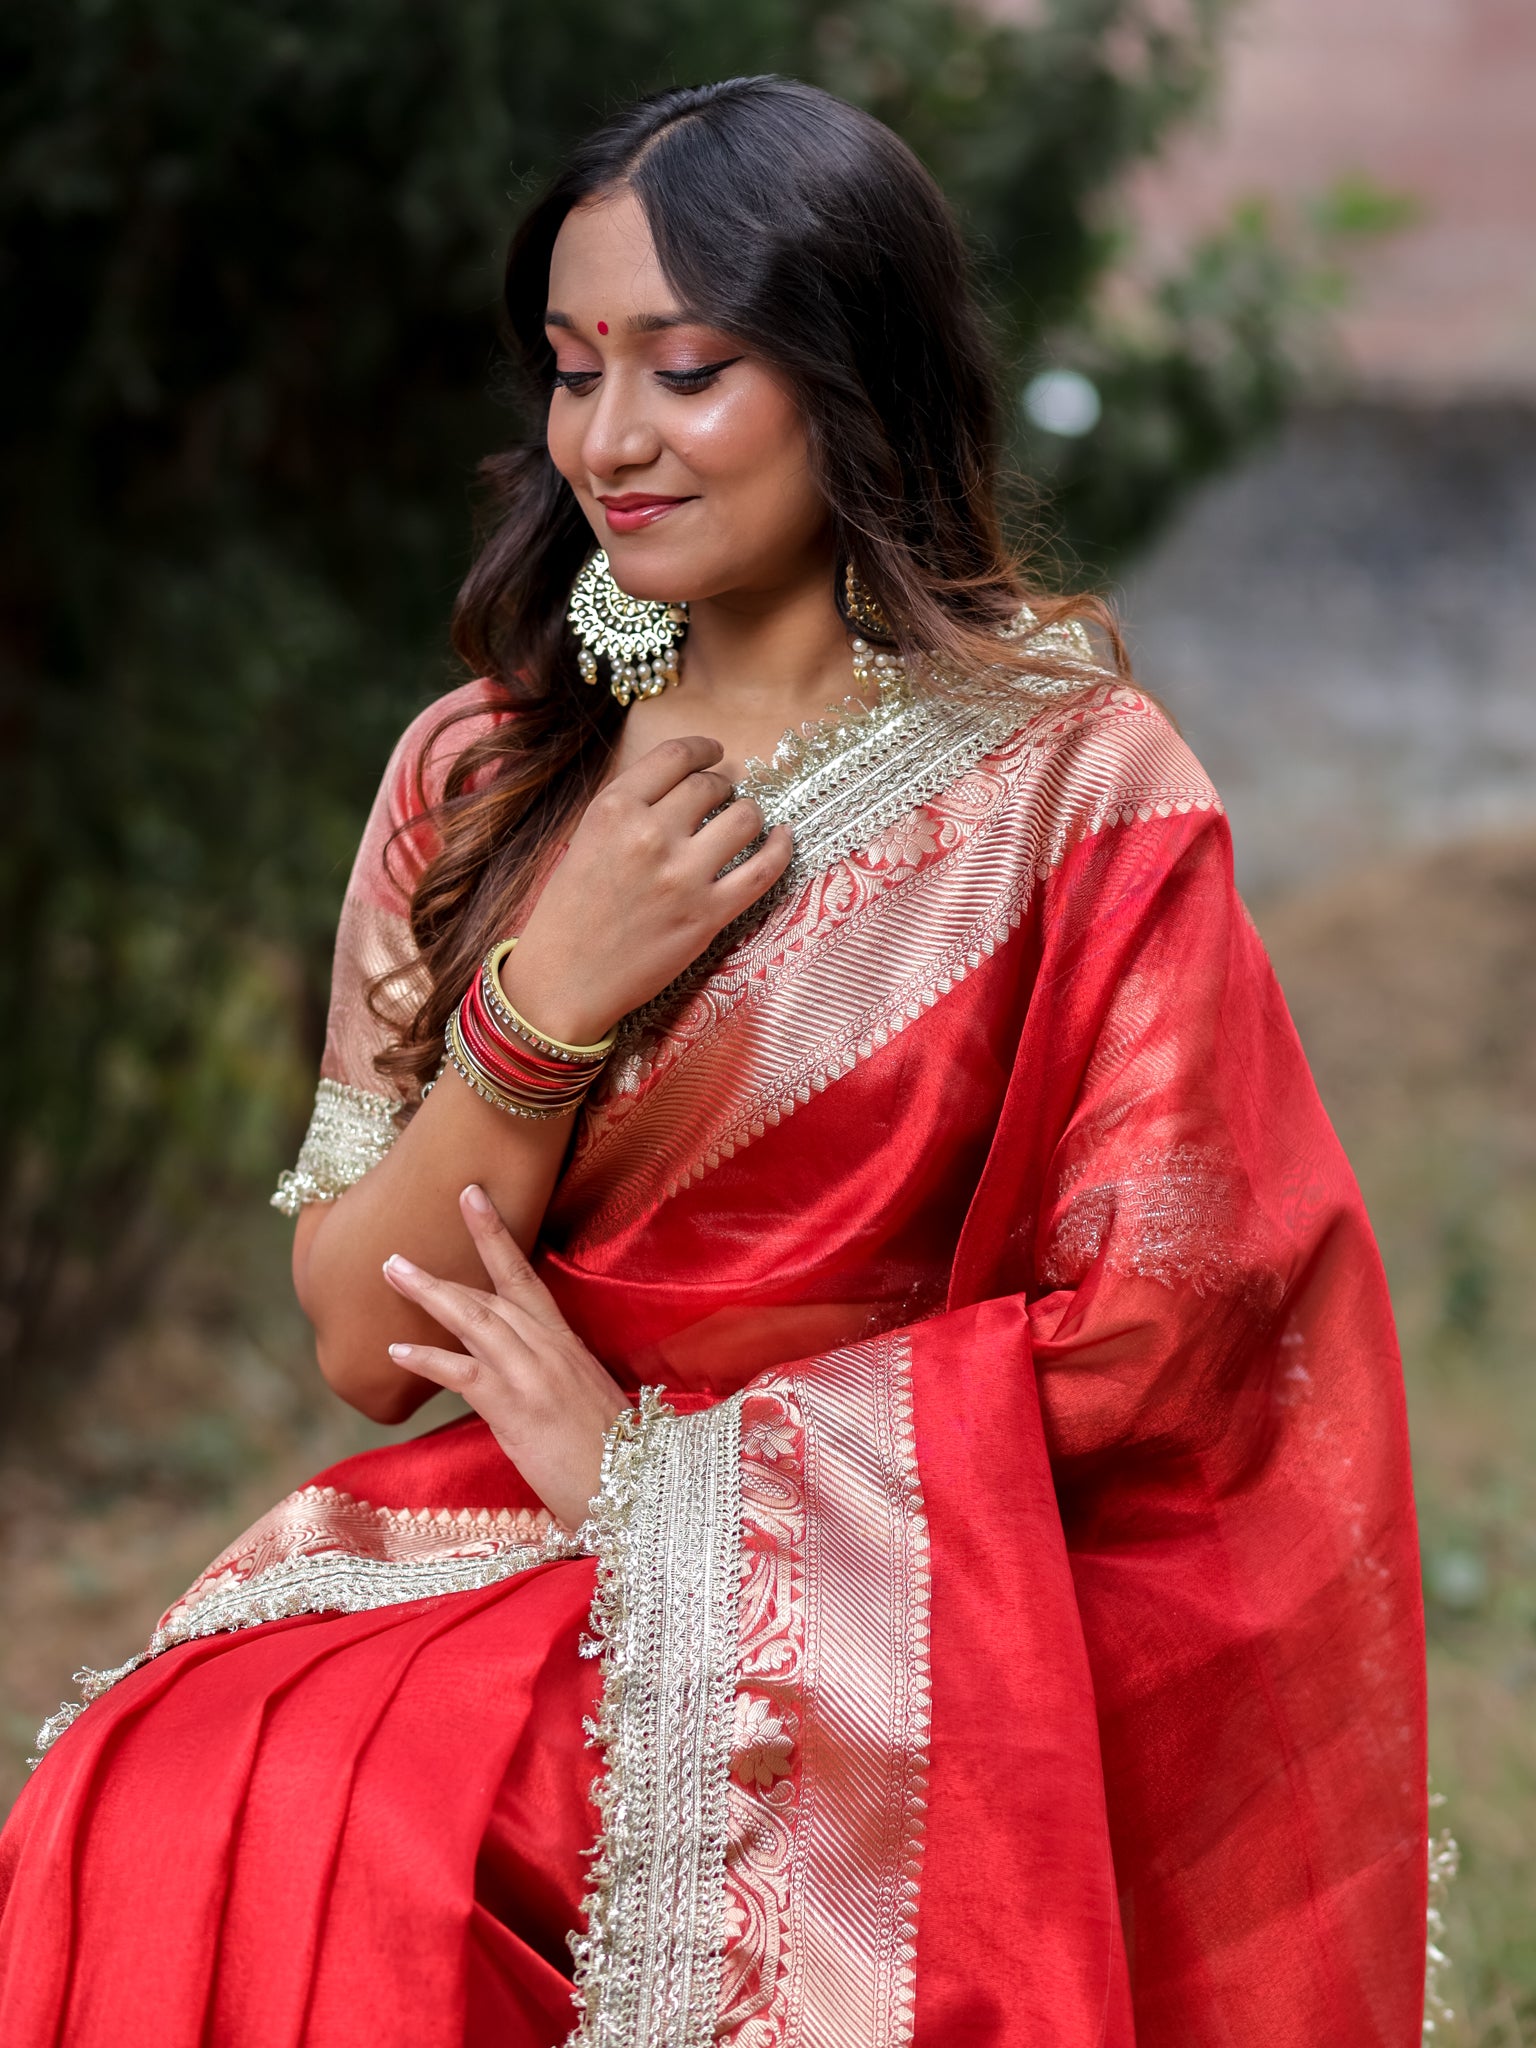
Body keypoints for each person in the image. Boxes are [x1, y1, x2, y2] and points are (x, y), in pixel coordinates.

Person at [0, 75, 1428, 2048]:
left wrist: (672, 1485)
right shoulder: (485, 772)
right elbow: (360, 1336)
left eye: (685, 370)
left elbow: (1163, 1321)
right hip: (487, 1530)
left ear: (859, 374)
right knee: (166, 1783)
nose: (608, 438)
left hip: (879, 1604)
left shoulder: (1073, 790)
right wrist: (544, 1001)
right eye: (574, 372)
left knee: (399, 1823)